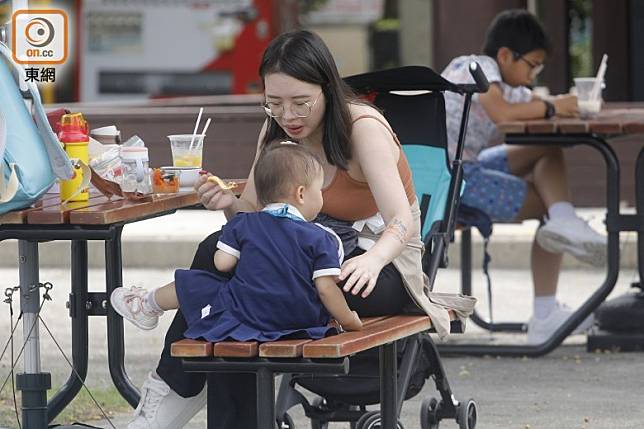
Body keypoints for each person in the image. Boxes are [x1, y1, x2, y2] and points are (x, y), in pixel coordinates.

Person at [122, 29, 463, 429]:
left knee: (244, 298)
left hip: (376, 264)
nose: (288, 117)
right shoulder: (276, 133)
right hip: (302, 256)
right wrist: (227, 203)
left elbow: (401, 222)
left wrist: (372, 261)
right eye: (274, 104)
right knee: (215, 250)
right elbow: (250, 218)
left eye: (300, 103)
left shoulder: (362, 128)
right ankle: (182, 388)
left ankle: (174, 389)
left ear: (327, 89)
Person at [441, 9, 606, 344]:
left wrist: (561, 103)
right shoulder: (474, 68)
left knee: (547, 149)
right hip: (450, 179)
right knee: (548, 203)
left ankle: (565, 221)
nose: (533, 74)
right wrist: (553, 107)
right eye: (531, 65)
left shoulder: (505, 85)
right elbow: (503, 115)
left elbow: (532, 101)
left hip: (468, 165)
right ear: (505, 55)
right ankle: (545, 312)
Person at [110, 143, 362, 345]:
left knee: (196, 281)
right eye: (319, 190)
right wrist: (349, 320)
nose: (321, 197)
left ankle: (147, 305)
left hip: (249, 315)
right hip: (304, 320)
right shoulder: (323, 237)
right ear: (301, 193)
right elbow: (326, 289)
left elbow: (221, 264)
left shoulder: (244, 224)